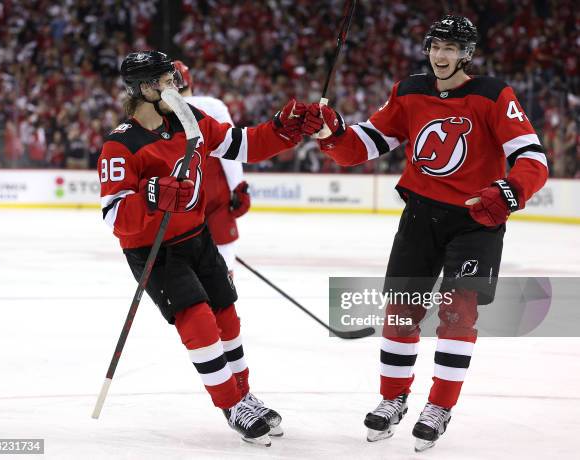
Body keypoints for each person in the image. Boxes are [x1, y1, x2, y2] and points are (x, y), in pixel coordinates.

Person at [301, 15, 548, 452]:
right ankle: (392, 399)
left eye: (451, 49)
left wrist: (508, 192)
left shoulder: (494, 95)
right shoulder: (409, 90)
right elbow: (366, 144)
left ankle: (439, 405)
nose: (441, 55)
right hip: (421, 216)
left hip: (476, 220)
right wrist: (331, 132)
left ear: (467, 54)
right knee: (401, 313)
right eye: (436, 46)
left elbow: (533, 159)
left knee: (458, 313)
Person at [98, 50, 306, 446]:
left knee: (227, 316)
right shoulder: (120, 145)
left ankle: (245, 395)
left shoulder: (188, 120)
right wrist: (153, 195)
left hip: (198, 237)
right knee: (198, 321)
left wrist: (284, 128)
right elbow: (113, 216)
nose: (175, 86)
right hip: (154, 251)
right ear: (144, 88)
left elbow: (241, 145)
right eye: (166, 80)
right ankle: (230, 404)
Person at [173, 60, 250, 275]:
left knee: (185, 270)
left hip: (179, 193)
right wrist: (239, 187)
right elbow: (231, 148)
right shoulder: (213, 106)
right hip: (214, 190)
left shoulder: (157, 112)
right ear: (190, 82)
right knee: (223, 271)